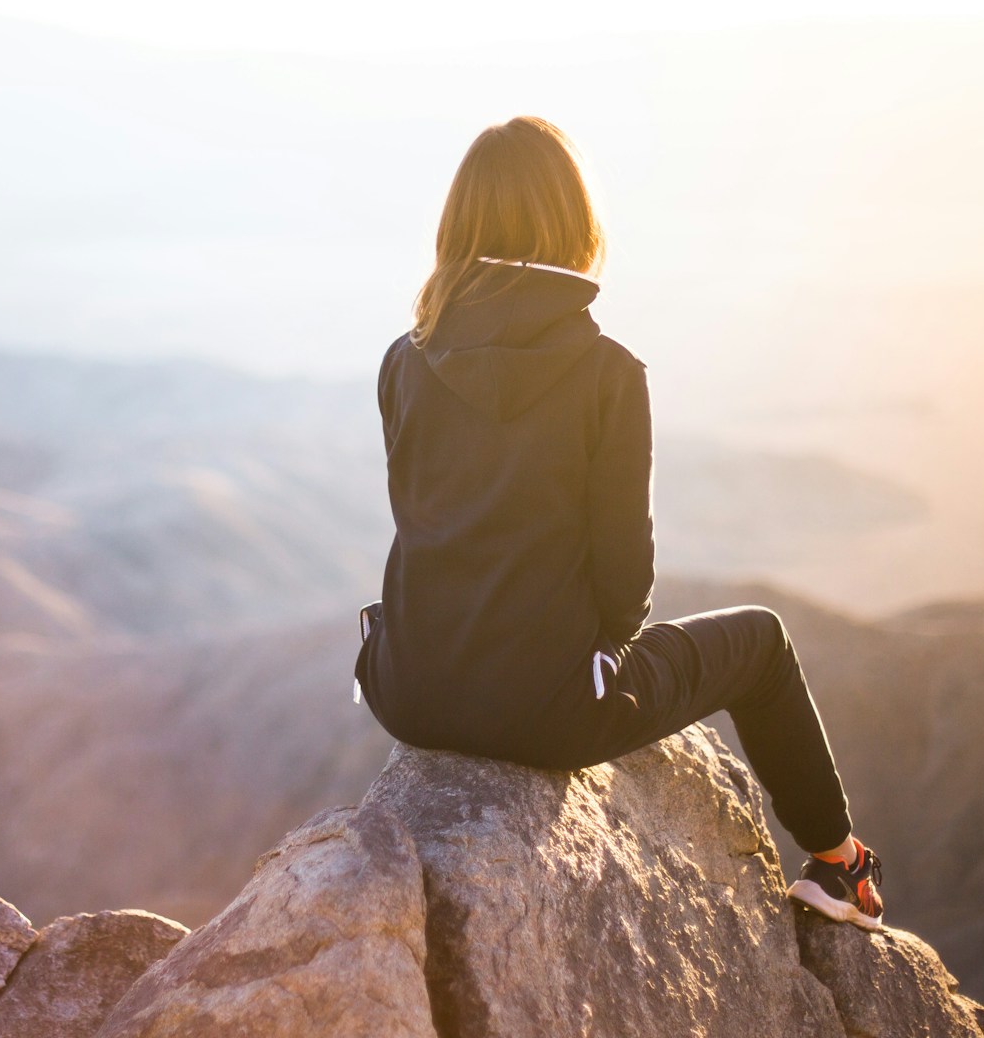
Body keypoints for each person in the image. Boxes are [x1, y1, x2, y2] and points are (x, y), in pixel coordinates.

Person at [352, 115, 885, 930]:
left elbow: (423, 519)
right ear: (573, 225)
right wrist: (583, 666)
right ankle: (838, 864)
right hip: (549, 712)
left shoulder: (403, 357)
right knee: (765, 642)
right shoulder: (607, 373)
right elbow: (625, 587)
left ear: (457, 225)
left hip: (406, 688)